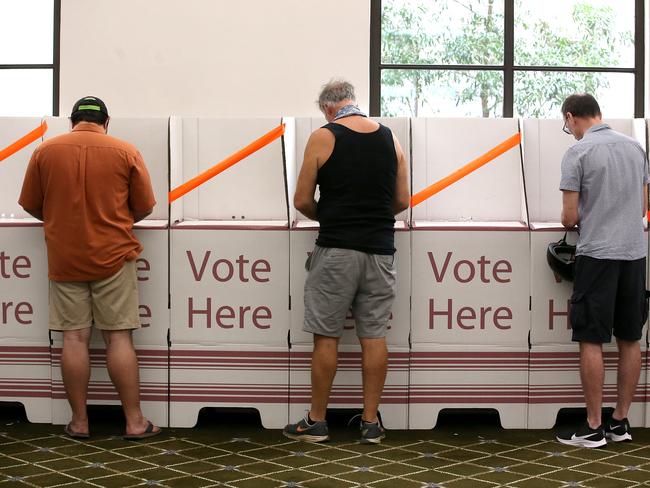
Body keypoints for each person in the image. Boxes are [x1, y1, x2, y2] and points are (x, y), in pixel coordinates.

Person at [19, 96, 162, 440]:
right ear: (106, 121)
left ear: (71, 121)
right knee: (118, 337)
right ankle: (135, 422)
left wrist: (60, 224)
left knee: (74, 337)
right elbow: (144, 207)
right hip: (113, 255)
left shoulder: (44, 152)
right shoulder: (125, 151)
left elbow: (32, 205)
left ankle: (80, 422)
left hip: (65, 258)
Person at [283, 80, 410, 444]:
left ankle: (317, 421)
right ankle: (371, 423)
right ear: (354, 102)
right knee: (374, 336)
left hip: (337, 250)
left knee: (326, 336)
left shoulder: (324, 136)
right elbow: (401, 200)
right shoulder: (391, 139)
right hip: (381, 251)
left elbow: (302, 199)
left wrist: (333, 215)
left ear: (327, 109)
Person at [556, 93, 648, 448]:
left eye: (567, 126)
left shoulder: (577, 153)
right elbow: (642, 206)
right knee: (630, 337)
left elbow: (569, 217)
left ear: (571, 117)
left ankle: (593, 426)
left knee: (591, 337)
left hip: (597, 255)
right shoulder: (635, 148)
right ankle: (620, 422)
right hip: (634, 254)